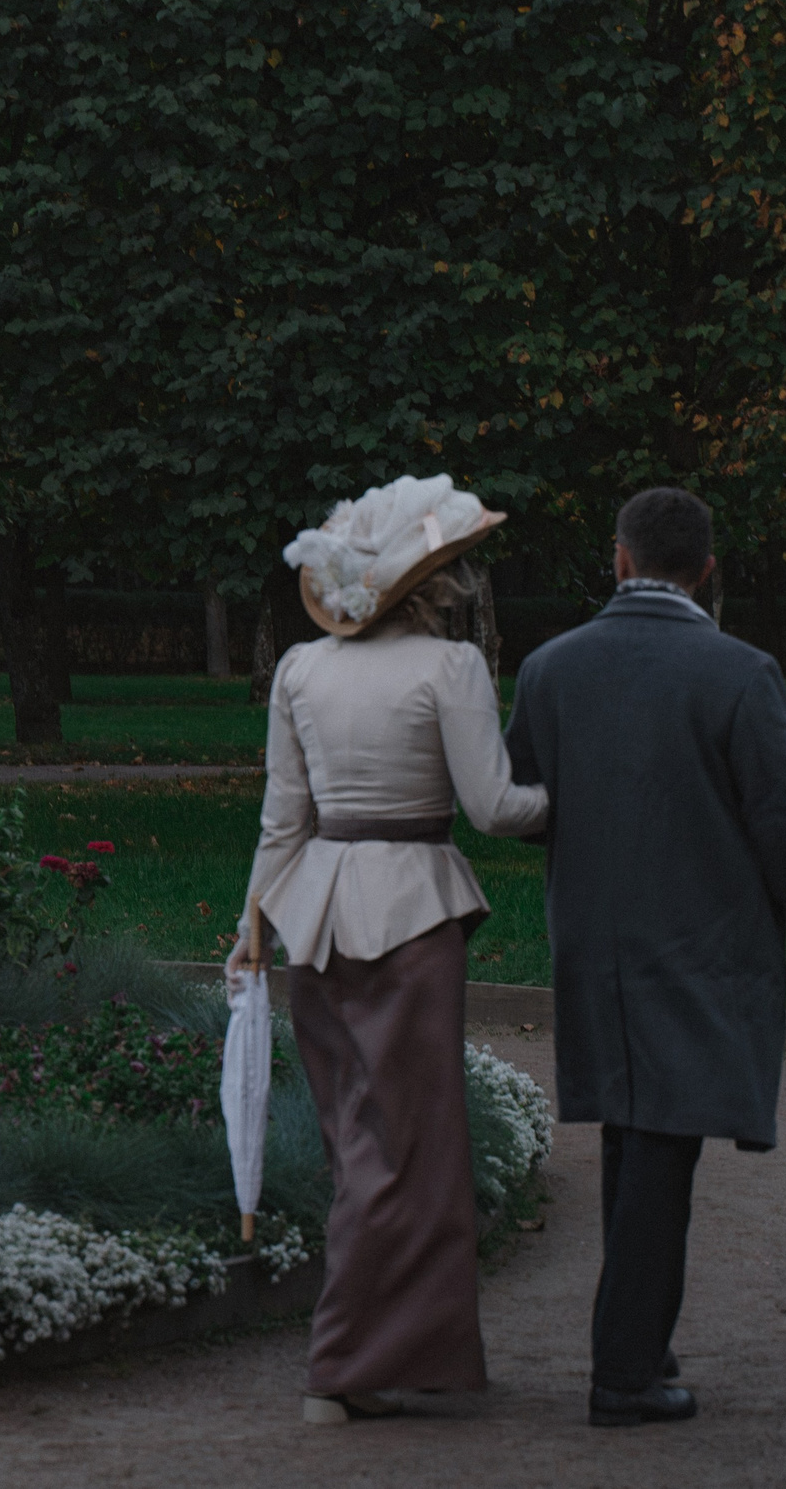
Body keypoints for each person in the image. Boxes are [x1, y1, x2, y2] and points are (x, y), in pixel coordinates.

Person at [503, 487, 786, 1427]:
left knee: (635, 1132)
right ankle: (625, 1370)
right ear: (707, 569)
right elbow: (783, 819)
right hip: (699, 941)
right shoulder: (741, 672)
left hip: (593, 936)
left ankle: (640, 1341)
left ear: (618, 559)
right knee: (661, 1143)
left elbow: (528, 798)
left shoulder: (548, 667)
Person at [226, 474, 549, 1424]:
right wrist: (572, 798)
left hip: (314, 918)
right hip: (412, 911)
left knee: (356, 1140)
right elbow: (495, 808)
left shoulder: (299, 669)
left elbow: (283, 818)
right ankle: (342, 1363)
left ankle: (373, 1357)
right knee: (411, 1145)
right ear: (434, 582)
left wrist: (252, 928)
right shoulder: (449, 669)